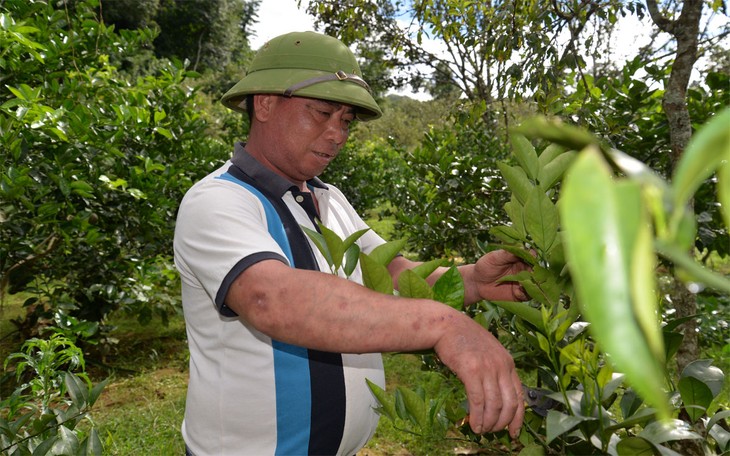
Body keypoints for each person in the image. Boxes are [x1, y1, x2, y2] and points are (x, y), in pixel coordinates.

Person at [173, 31, 531, 456]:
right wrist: (442, 324)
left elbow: (395, 274)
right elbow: (272, 298)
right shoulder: (219, 200)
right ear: (264, 104)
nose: (336, 133)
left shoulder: (328, 198)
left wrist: (473, 281)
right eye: (321, 112)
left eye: (345, 121)